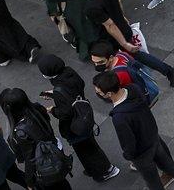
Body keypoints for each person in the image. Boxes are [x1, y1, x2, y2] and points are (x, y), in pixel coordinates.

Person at [70, 0, 174, 82]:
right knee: (137, 56)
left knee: (132, 58)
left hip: (114, 38)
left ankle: (167, 72)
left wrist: (123, 43)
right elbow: (118, 2)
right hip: (124, 28)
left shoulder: (90, 6)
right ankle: (167, 72)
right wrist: (122, 17)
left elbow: (110, 25)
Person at [93, 73, 174, 190]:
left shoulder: (119, 117)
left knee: (153, 182)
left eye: (99, 93)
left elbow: (128, 143)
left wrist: (129, 156)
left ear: (109, 94)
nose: (98, 94)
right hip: (154, 138)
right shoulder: (133, 88)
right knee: (171, 167)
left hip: (142, 154)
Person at [35, 53, 118, 183]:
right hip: (82, 114)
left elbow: (65, 113)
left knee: (87, 150)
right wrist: (54, 94)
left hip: (75, 125)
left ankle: (105, 170)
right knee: (88, 147)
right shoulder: (69, 72)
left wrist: (53, 110)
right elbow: (73, 90)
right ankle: (94, 168)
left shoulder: (59, 90)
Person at [0, 89, 71, 190]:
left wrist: (29, 182)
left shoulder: (20, 132)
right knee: (61, 182)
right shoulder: (37, 108)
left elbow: (30, 159)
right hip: (55, 149)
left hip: (44, 164)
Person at [89, 42, 160, 105]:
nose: (96, 65)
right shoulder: (121, 54)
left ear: (110, 58)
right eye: (94, 62)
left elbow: (120, 92)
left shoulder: (119, 75)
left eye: (100, 62)